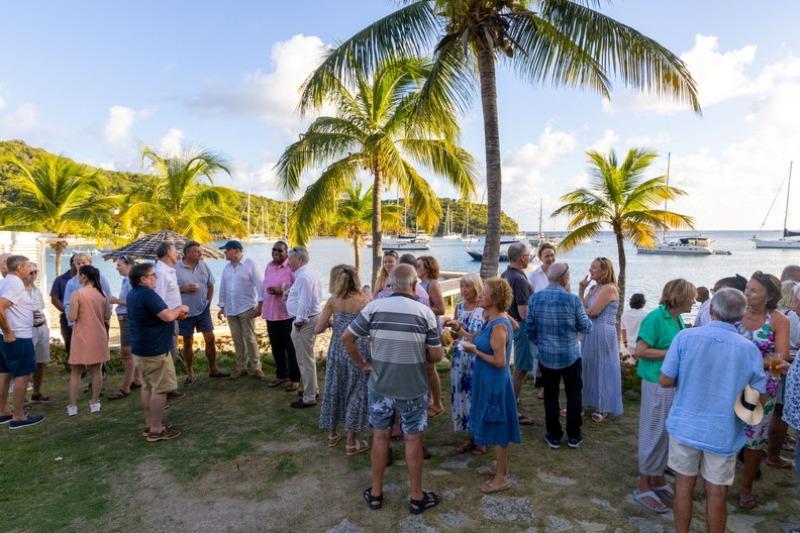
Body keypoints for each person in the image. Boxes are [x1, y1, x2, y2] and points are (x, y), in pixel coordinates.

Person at [659, 288, 769, 533]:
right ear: (740, 317)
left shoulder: (686, 338)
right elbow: (759, 393)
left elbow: (665, 380)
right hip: (724, 430)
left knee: (684, 487)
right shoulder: (749, 349)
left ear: (710, 309)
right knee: (717, 493)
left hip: (685, 424)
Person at [342, 264, 443, 514]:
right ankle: (416, 496)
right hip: (413, 386)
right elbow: (437, 355)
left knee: (380, 437)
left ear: (390, 284)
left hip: (381, 385)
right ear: (413, 285)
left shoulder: (374, 307)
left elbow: (347, 337)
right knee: (413, 439)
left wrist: (363, 363)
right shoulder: (425, 312)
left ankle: (376, 493)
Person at [631, 279, 696, 514]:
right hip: (656, 383)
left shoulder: (676, 318)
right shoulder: (656, 318)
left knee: (665, 433)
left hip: (669, 384)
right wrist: (672, 353)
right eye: (690, 297)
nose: (694, 300)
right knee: (654, 431)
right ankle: (643, 484)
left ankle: (656, 479)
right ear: (679, 297)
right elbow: (640, 351)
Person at [461, 277, 521, 493]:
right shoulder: (492, 320)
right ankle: (499, 466)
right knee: (493, 424)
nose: (480, 295)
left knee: (498, 427)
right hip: (486, 379)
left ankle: (501, 477)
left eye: (485, 292)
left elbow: (500, 361)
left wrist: (474, 352)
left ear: (496, 298)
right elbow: (476, 339)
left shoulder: (499, 326)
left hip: (495, 383)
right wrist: (462, 331)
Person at [736, 271, 791, 509]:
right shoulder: (734, 311)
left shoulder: (779, 320)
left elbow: (780, 361)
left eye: (754, 290)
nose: (747, 293)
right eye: (747, 288)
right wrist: (762, 359)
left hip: (761, 391)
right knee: (727, 435)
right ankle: (718, 481)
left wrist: (747, 361)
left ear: (769, 296)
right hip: (727, 385)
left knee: (754, 442)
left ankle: (746, 487)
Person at [526, 262, 592, 450]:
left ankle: (553, 435)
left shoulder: (535, 299)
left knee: (550, 395)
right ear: (565, 278)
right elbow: (587, 327)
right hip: (571, 354)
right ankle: (574, 435)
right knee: (573, 394)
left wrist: (542, 344)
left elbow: (530, 329)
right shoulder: (572, 300)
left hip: (546, 355)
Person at [126, 262, 189, 442]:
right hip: (154, 349)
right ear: (143, 279)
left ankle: (150, 424)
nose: (156, 277)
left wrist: (174, 314)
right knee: (160, 389)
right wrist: (179, 309)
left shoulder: (133, 294)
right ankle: (156, 429)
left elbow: (156, 316)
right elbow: (167, 316)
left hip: (141, 348)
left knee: (148, 387)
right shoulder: (147, 294)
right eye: (152, 275)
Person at [317, 265, 370, 455]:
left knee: (334, 388)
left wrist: (334, 322)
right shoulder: (364, 300)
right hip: (359, 349)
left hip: (338, 350)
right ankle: (351, 441)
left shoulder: (333, 301)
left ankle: (332, 434)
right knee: (356, 392)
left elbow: (318, 329)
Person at [0, 255, 45, 429]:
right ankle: (18, 416)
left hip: (7, 336)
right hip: (18, 336)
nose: (30, 268)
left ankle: (3, 411)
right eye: (27, 266)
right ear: (19, 268)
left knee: (4, 374)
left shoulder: (4, 282)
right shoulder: (15, 283)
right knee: (22, 375)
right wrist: (8, 331)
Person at [444, 273, 485, 453]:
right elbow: (455, 336)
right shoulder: (460, 306)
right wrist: (452, 329)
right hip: (460, 359)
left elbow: (480, 335)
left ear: (476, 287)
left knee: (476, 396)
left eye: (467, 286)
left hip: (476, 357)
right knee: (462, 396)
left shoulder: (484, 308)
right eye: (461, 287)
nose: (463, 290)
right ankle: (471, 436)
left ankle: (481, 439)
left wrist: (461, 328)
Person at [176, 241, 227, 383]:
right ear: (186, 253)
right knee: (187, 342)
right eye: (196, 251)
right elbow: (169, 291)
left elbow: (210, 285)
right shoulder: (176, 268)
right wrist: (185, 290)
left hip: (203, 309)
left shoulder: (203, 265)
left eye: (200, 251)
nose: (200, 253)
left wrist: (209, 302)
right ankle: (190, 373)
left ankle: (213, 369)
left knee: (210, 338)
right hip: (184, 312)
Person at [579, 257, 623, 422]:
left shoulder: (609, 289)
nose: (590, 270)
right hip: (591, 330)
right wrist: (581, 289)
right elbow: (582, 307)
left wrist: (584, 311)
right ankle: (584, 402)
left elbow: (592, 312)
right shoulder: (594, 288)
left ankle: (602, 406)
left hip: (603, 330)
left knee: (602, 366)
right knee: (587, 365)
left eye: (594, 268)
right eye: (590, 267)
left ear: (605, 271)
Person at [66, 265, 111, 416]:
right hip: (99, 335)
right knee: (96, 371)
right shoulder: (103, 294)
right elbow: (107, 316)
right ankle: (94, 402)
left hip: (81, 336)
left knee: (76, 372)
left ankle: (72, 406)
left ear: (84, 276)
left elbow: (72, 317)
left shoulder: (77, 293)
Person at [217, 240, 264, 379]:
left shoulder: (250, 264)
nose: (224, 253)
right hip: (231, 309)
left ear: (236, 250)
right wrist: (221, 307)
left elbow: (260, 284)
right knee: (237, 340)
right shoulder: (227, 268)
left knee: (249, 338)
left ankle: (256, 368)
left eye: (227, 250)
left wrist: (260, 305)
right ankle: (241, 368)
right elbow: (223, 288)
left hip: (246, 307)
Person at [501, 242, 535, 426]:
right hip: (520, 327)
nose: (529, 257)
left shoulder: (506, 274)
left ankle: (510, 400)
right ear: (522, 258)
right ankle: (511, 407)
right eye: (528, 255)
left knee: (511, 367)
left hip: (507, 324)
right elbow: (524, 313)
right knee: (521, 369)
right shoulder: (520, 280)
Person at [286, 246, 323, 408]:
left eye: (291, 260)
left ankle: (309, 397)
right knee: (307, 358)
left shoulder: (304, 276)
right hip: (308, 320)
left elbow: (305, 302)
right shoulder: (305, 274)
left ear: (300, 260)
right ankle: (312, 390)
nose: (288, 263)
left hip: (304, 322)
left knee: (304, 360)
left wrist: (299, 321)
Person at [261, 240, 300, 391]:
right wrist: (260, 305)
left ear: (286, 253)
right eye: (274, 250)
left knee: (291, 349)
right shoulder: (269, 266)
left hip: (287, 315)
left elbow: (298, 291)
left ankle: (295, 378)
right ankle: (281, 375)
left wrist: (281, 292)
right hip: (271, 314)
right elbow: (263, 287)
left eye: (280, 250)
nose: (276, 252)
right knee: (276, 348)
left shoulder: (291, 268)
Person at [108, 256, 141, 400]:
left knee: (126, 353)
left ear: (128, 265)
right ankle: (137, 379)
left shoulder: (131, 280)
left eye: (119, 265)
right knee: (133, 352)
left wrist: (116, 301)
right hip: (126, 318)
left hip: (128, 317)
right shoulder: (127, 279)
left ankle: (125, 387)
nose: (117, 268)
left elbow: (133, 301)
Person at [417, 255, 445, 418]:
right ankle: (428, 400)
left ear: (427, 267)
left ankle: (437, 403)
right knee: (424, 367)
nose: (416, 268)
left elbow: (440, 309)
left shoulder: (433, 284)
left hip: (431, 329)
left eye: (419, 265)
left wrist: (421, 310)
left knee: (430, 367)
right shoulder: (419, 285)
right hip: (421, 328)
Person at [25, 263, 52, 403]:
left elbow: (42, 310)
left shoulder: (37, 289)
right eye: (31, 272)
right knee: (27, 363)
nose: (34, 275)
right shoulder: (18, 290)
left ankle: (36, 393)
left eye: (36, 272)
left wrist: (47, 328)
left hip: (41, 328)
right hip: (27, 330)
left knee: (40, 362)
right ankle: (22, 398)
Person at [50, 254, 77, 363]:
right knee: (70, 343)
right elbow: (54, 299)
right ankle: (74, 368)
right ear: (72, 264)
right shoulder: (60, 280)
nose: (81, 265)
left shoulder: (89, 278)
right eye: (78, 263)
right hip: (67, 318)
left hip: (86, 317)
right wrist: (68, 311)